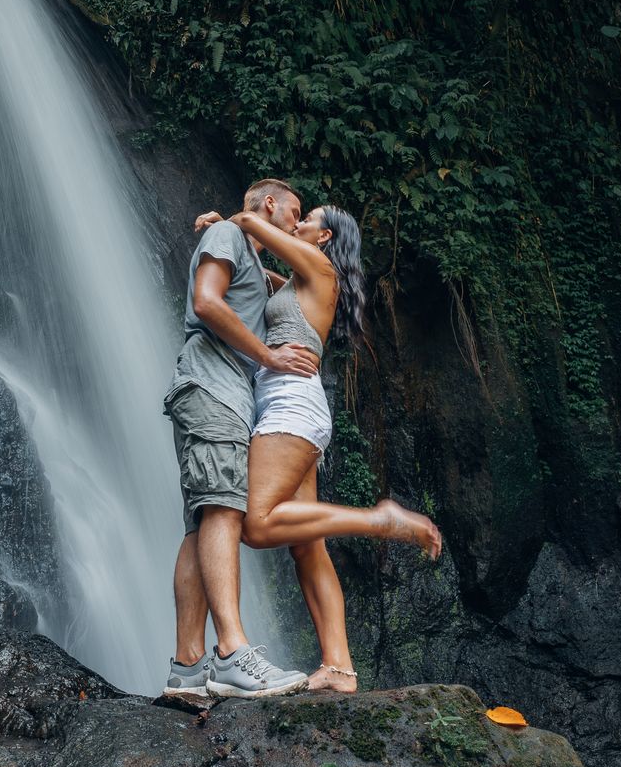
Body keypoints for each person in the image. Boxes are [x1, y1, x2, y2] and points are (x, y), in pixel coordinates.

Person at [193, 200, 442, 693]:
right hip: (294, 408)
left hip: (289, 406)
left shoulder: (319, 266)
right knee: (307, 548)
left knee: (256, 525)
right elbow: (258, 275)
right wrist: (229, 240)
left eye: (308, 219)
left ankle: (380, 520)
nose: (299, 221)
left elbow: (251, 224)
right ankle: (340, 667)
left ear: (324, 237)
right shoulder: (300, 283)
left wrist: (232, 221)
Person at [162, 178, 317, 701]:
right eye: (293, 214)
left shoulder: (239, 246)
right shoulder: (228, 236)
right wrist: (269, 357)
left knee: (204, 520)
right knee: (225, 511)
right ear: (268, 204)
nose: (296, 224)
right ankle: (231, 652)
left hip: (212, 392)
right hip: (214, 388)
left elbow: (276, 280)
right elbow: (207, 302)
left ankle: (187, 668)